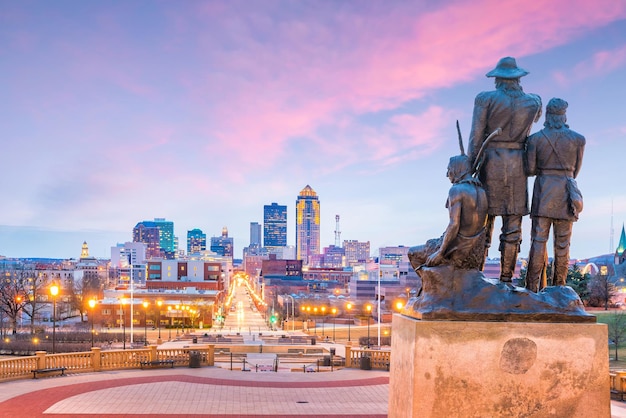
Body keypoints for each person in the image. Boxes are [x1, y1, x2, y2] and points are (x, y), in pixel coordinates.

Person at [468, 57, 542, 283]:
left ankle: (476, 276)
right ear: (519, 78)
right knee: (512, 226)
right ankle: (506, 278)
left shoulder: (485, 99)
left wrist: (469, 169)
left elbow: (476, 136)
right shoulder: (534, 101)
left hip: (491, 163)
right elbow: (536, 120)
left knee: (482, 223)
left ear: (498, 79)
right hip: (518, 164)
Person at [525, 98, 585, 292]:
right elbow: (576, 171)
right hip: (565, 194)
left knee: (538, 241)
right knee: (563, 244)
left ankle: (532, 288)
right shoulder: (578, 139)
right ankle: (559, 288)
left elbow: (530, 169)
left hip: (543, 192)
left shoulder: (535, 140)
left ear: (548, 116)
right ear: (564, 115)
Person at [408, 154, 488, 272]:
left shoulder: (456, 190)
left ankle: (434, 287)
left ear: (457, 169)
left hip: (457, 248)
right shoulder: (482, 192)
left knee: (412, 253)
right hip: (474, 251)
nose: (447, 174)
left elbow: (454, 225)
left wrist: (440, 253)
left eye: (449, 170)